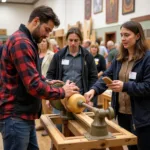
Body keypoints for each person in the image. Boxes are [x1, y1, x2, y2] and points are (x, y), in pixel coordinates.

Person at [0, 6, 79, 150]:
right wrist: (63, 92)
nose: (47, 35)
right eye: (47, 30)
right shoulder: (21, 42)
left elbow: (27, 76)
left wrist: (47, 82)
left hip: (24, 116)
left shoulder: (27, 41)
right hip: (16, 117)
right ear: (36, 21)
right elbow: (33, 85)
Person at [84, 21, 150, 150]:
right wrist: (94, 89)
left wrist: (125, 87)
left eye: (127, 35)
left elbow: (148, 86)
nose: (123, 39)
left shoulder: (147, 58)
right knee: (131, 147)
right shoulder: (120, 58)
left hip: (142, 116)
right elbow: (106, 77)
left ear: (137, 36)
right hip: (122, 113)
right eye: (121, 35)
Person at [46, 27, 98, 115]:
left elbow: (93, 78)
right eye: (70, 40)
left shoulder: (87, 56)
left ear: (80, 41)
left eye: (76, 40)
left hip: (81, 100)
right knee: (59, 127)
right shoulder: (58, 56)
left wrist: (91, 99)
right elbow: (50, 75)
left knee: (80, 127)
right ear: (66, 40)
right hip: (61, 99)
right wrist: (49, 97)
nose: (73, 43)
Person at [36, 38, 54, 136]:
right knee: (40, 107)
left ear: (47, 43)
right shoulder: (36, 54)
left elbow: (53, 70)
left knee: (47, 107)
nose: (42, 43)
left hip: (47, 83)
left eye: (44, 41)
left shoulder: (51, 55)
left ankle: (49, 128)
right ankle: (42, 124)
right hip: (37, 83)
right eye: (40, 42)